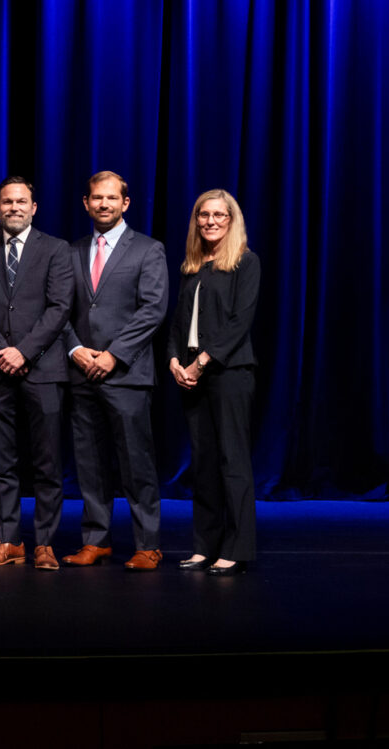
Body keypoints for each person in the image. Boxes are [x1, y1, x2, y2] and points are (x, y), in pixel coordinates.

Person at [61, 170, 169, 571]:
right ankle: (96, 540)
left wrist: (114, 355)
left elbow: (152, 310)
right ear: (86, 203)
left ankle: (148, 544)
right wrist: (75, 350)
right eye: (96, 198)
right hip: (82, 372)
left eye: (111, 198)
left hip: (126, 373)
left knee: (136, 463)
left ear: (126, 203)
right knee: (88, 463)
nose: (103, 204)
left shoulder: (148, 249)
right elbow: (62, 309)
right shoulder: (71, 251)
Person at [0, 176, 74, 571]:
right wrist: (3, 352)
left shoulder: (56, 249)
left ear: (34, 208)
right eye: (7, 202)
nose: (13, 207)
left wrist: (24, 351)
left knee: (47, 463)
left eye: (21, 201)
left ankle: (45, 542)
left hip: (42, 370)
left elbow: (60, 307)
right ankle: (9, 541)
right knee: (1, 463)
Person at [167, 190, 260, 576]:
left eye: (219, 215)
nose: (210, 221)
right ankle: (204, 546)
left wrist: (202, 362)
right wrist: (174, 360)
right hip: (192, 376)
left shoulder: (245, 262)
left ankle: (236, 548)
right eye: (204, 215)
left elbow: (241, 321)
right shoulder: (192, 265)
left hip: (229, 374)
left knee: (232, 461)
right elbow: (177, 323)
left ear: (231, 219)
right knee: (203, 463)